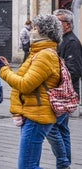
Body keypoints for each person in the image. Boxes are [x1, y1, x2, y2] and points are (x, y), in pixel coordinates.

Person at [0, 14, 63, 169]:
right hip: (34, 113)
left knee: (27, 166)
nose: (31, 30)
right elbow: (27, 80)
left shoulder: (44, 55)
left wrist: (2, 71)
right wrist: (8, 69)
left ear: (44, 32)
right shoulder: (38, 53)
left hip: (37, 116)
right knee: (30, 164)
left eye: (35, 28)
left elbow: (25, 85)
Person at [46, 9, 82, 169]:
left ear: (67, 24)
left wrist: (52, 79)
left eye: (57, 21)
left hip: (64, 95)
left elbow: (74, 70)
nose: (54, 24)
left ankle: (63, 162)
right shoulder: (62, 40)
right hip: (62, 95)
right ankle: (64, 163)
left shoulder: (72, 42)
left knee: (52, 127)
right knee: (62, 129)